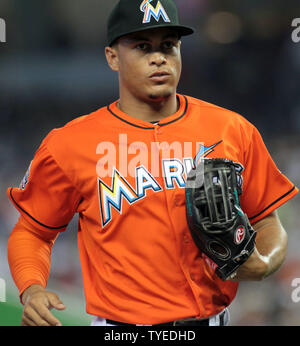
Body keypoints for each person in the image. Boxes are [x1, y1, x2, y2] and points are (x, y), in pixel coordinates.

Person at [7, 0, 298, 327]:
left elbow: (268, 220)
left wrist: (264, 262)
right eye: (143, 46)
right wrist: (31, 288)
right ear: (112, 57)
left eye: (169, 46)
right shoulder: (69, 144)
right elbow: (32, 232)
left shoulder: (231, 129)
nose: (159, 57)